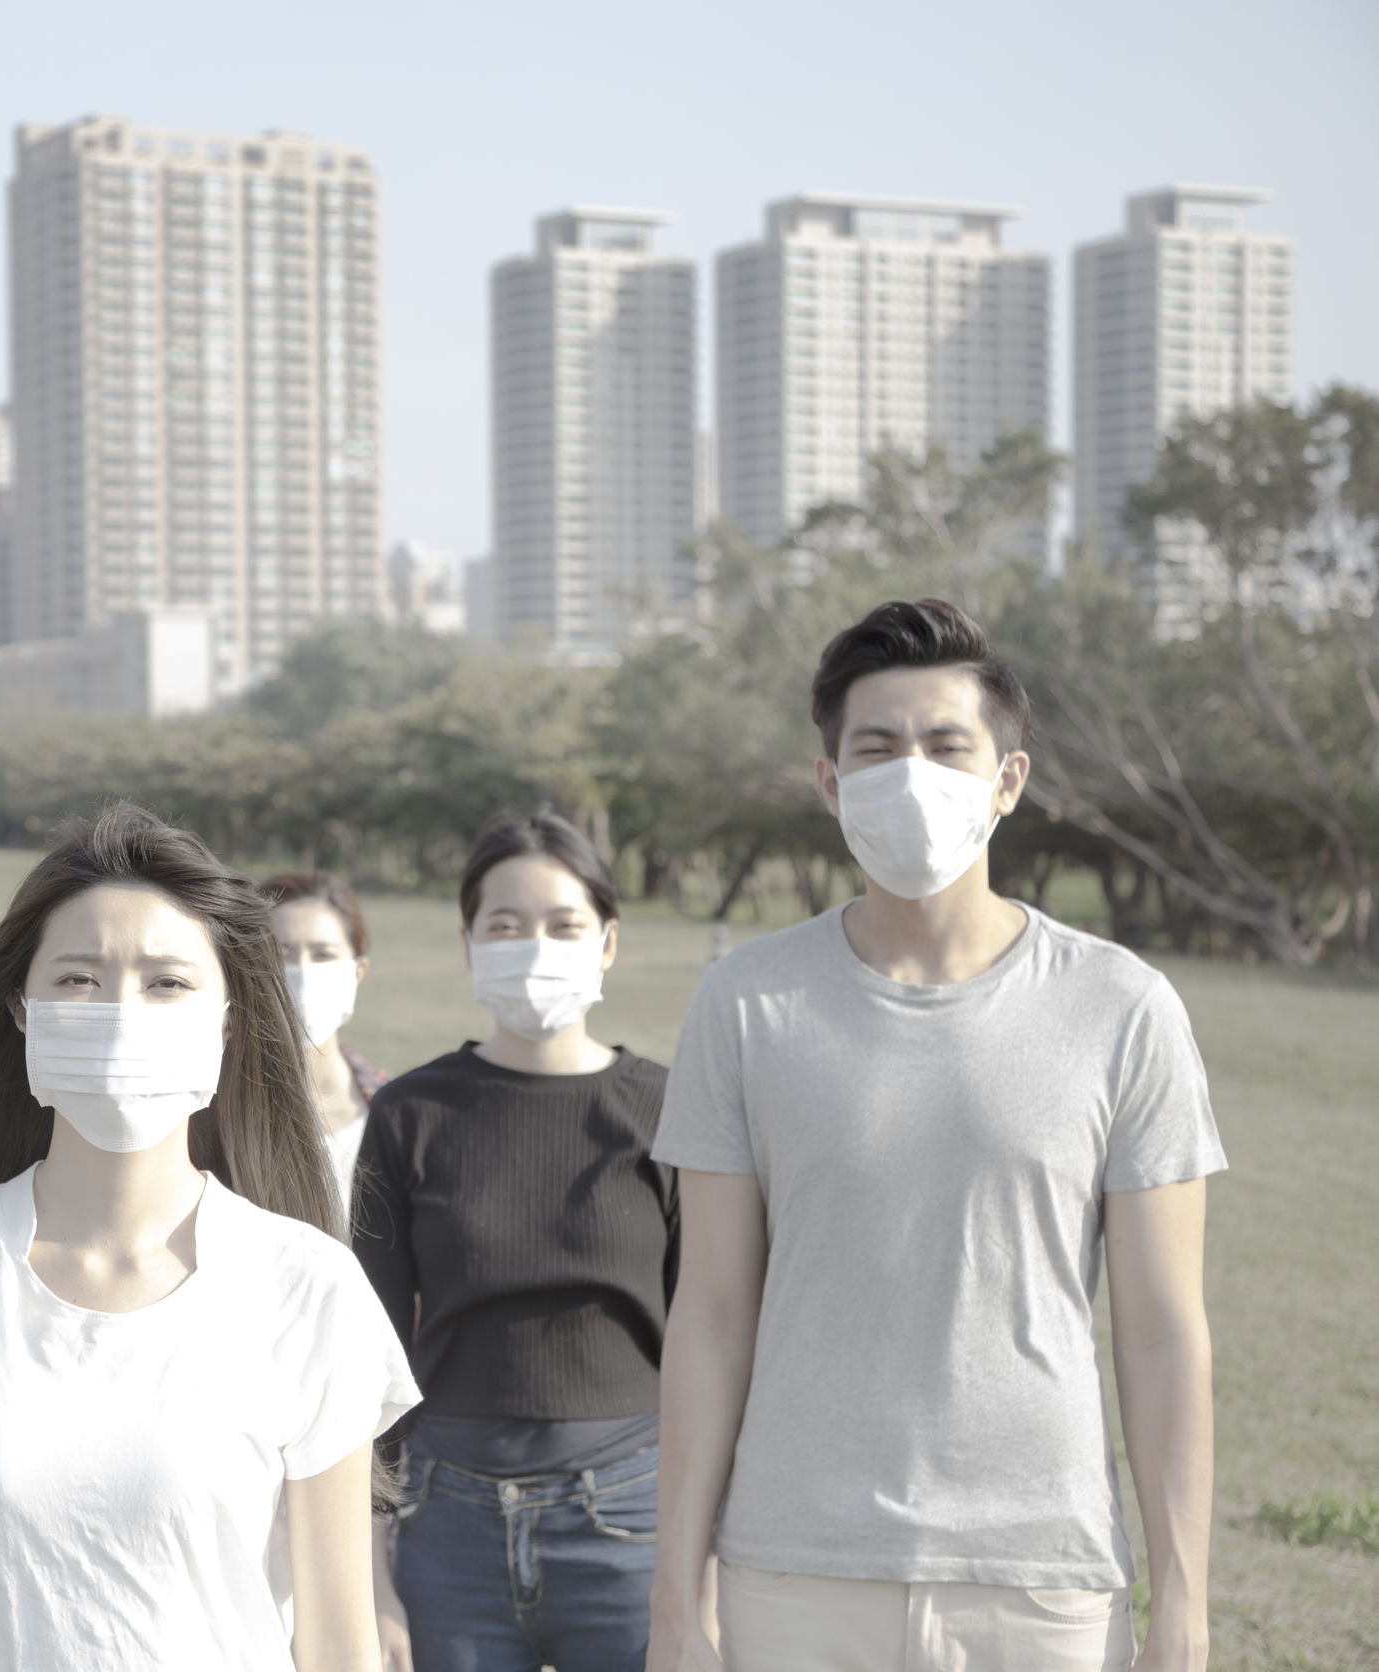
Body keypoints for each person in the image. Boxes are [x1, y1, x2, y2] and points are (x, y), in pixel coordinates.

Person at [647, 599, 1223, 1672]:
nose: (911, 771)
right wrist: (678, 1597)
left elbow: (1161, 1331)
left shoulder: (1122, 1005)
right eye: (876, 748)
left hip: (1041, 1577)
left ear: (1007, 779)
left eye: (946, 745)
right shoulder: (744, 1001)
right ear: (831, 785)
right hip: (792, 1569)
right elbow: (712, 1314)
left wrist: (1182, 1611)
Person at [0, 802, 419, 1671]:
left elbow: (338, 1648)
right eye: (78, 980)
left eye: (166, 982)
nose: (120, 1012)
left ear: (230, 1021)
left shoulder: (308, 1286)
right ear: (20, 1011)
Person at [352, 811, 678, 1672]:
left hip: (631, 1520)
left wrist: (704, 1561)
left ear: (607, 942)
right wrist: (371, 1566)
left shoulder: (670, 1112)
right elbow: (366, 1349)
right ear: (469, 943)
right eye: (505, 925)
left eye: (565, 925)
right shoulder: (409, 1114)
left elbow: (716, 1336)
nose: (535, 946)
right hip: (443, 1523)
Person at [258, 871, 388, 1229]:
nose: (301, 971)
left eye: (323, 954)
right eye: (282, 954)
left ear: (357, 972)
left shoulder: (394, 1112)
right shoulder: (207, 1107)